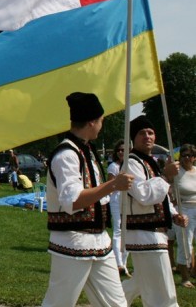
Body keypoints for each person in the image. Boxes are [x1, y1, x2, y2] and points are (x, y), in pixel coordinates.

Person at [42, 92, 133, 307]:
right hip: (72, 241)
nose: (102, 125)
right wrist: (113, 185)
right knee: (59, 303)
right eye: (101, 120)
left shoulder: (87, 151)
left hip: (100, 242)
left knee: (116, 304)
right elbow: (72, 202)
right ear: (92, 122)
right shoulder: (66, 155)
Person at [121, 115, 189, 306]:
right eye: (142, 133)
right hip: (144, 234)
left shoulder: (150, 162)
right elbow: (144, 195)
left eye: (150, 133)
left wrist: (174, 215)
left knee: (141, 283)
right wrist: (165, 177)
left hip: (156, 234)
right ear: (133, 138)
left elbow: (162, 197)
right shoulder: (131, 162)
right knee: (163, 290)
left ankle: (108, 303)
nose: (147, 136)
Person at [106, 139, 130, 276]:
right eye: (119, 150)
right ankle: (118, 263)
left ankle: (124, 264)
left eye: (124, 150)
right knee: (118, 231)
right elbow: (109, 186)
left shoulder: (131, 166)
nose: (121, 152)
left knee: (128, 232)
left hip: (129, 201)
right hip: (116, 201)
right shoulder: (113, 167)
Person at [174, 144, 196, 288]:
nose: (187, 158)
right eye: (184, 155)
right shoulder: (176, 171)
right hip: (184, 210)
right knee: (185, 244)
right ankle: (184, 278)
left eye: (190, 155)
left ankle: (194, 271)